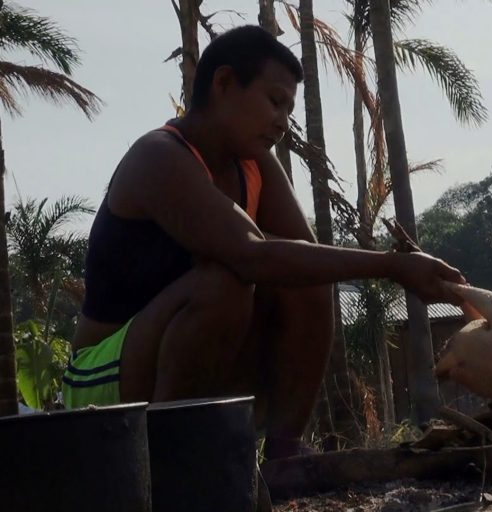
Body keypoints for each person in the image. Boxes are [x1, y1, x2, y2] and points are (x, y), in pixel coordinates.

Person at [63, 25, 464, 460]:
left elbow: (304, 264)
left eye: (288, 109)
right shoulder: (158, 156)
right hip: (102, 383)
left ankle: (284, 453)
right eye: (274, 101)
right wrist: (394, 266)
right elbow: (251, 257)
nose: (281, 121)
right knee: (225, 282)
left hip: (186, 364)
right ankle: (170, 468)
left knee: (308, 277)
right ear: (224, 84)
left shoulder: (254, 165)